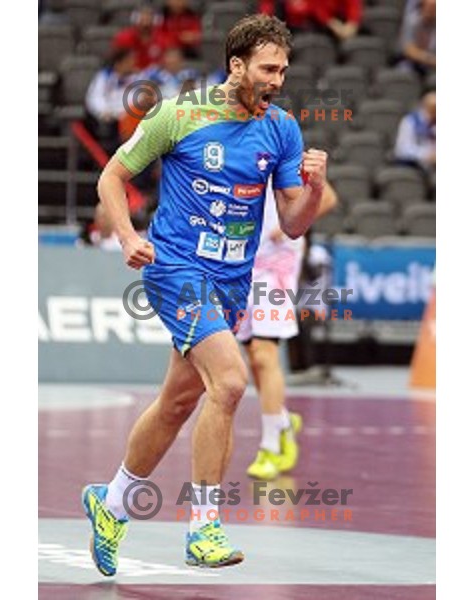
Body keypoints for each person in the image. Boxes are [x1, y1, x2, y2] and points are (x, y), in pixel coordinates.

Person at [82, 14, 328, 574]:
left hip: (232, 280)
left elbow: (292, 224)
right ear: (236, 65)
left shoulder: (282, 129)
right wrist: (126, 235)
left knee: (177, 401)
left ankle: (112, 500)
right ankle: (205, 527)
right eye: (268, 68)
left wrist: (312, 189)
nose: (277, 79)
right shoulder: (179, 114)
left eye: (284, 70)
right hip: (175, 268)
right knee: (233, 380)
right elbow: (111, 177)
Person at [237, 180, 338, 481]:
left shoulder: (284, 150)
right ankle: (281, 420)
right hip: (243, 259)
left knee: (265, 353)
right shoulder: (238, 147)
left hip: (277, 262)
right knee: (253, 354)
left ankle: (270, 447)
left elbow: (328, 197)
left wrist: (290, 224)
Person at [85, 47, 139, 147]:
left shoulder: (138, 77)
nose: (132, 63)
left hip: (128, 117)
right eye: (129, 61)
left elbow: (138, 98)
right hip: (110, 117)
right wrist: (104, 111)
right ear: (119, 63)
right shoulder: (104, 77)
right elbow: (95, 97)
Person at [113, 3, 173, 70]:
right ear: (135, 19)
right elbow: (117, 61)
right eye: (142, 18)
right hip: (130, 75)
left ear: (156, 20)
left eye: (149, 17)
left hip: (155, 76)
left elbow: (168, 62)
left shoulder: (164, 39)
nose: (145, 22)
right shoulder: (123, 37)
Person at [394, 90, 436, 173]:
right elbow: (402, 149)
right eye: (432, 108)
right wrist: (425, 155)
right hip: (414, 165)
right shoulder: (410, 121)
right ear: (425, 106)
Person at [399, 0, 436, 76]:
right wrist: (429, 59)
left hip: (432, 65)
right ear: (422, 7)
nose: (432, 12)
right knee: (404, 70)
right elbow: (409, 50)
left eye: (435, 9)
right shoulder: (412, 22)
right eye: (430, 8)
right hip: (412, 62)